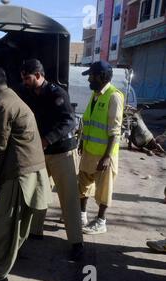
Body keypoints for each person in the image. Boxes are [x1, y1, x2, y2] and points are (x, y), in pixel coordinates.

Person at [0, 65, 51, 281]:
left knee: (4, 227)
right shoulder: (13, 97)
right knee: (17, 227)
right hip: (32, 170)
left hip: (20, 174)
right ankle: (3, 263)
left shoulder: (0, 104)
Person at [20, 59, 84, 261]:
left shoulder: (58, 93)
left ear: (38, 75)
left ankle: (76, 242)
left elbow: (69, 121)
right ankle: (35, 231)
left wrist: (47, 139)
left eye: (28, 78)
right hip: (40, 152)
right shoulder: (30, 95)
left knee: (69, 197)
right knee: (38, 191)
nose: (25, 82)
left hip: (61, 152)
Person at [79, 61, 124, 235]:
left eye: (91, 75)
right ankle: (82, 215)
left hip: (104, 154)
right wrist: (83, 142)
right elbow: (89, 122)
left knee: (104, 189)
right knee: (82, 184)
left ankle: (101, 221)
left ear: (102, 77)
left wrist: (106, 157)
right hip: (90, 150)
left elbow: (115, 130)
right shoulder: (96, 94)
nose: (89, 79)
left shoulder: (114, 96)